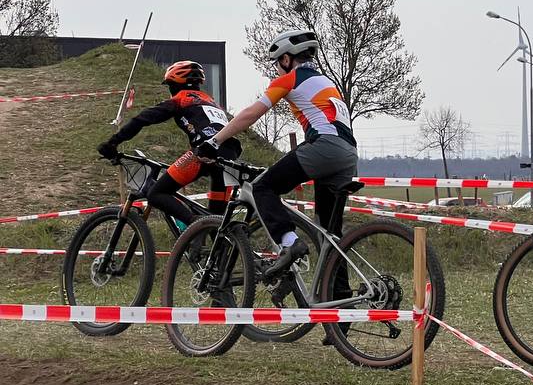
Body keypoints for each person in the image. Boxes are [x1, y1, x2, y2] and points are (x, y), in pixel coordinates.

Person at [197, 29, 358, 281]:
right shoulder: (325, 81)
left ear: (285, 59)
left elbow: (251, 114)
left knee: (262, 188)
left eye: (277, 63)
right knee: (328, 233)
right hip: (348, 153)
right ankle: (339, 298)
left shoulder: (290, 79)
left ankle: (289, 242)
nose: (277, 69)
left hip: (325, 146)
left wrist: (215, 141)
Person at [96, 61, 228, 225]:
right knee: (217, 222)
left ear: (174, 85)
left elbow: (142, 119)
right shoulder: (212, 102)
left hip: (204, 153)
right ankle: (212, 234)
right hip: (230, 157)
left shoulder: (182, 99)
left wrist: (112, 143)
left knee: (156, 193)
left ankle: (196, 225)